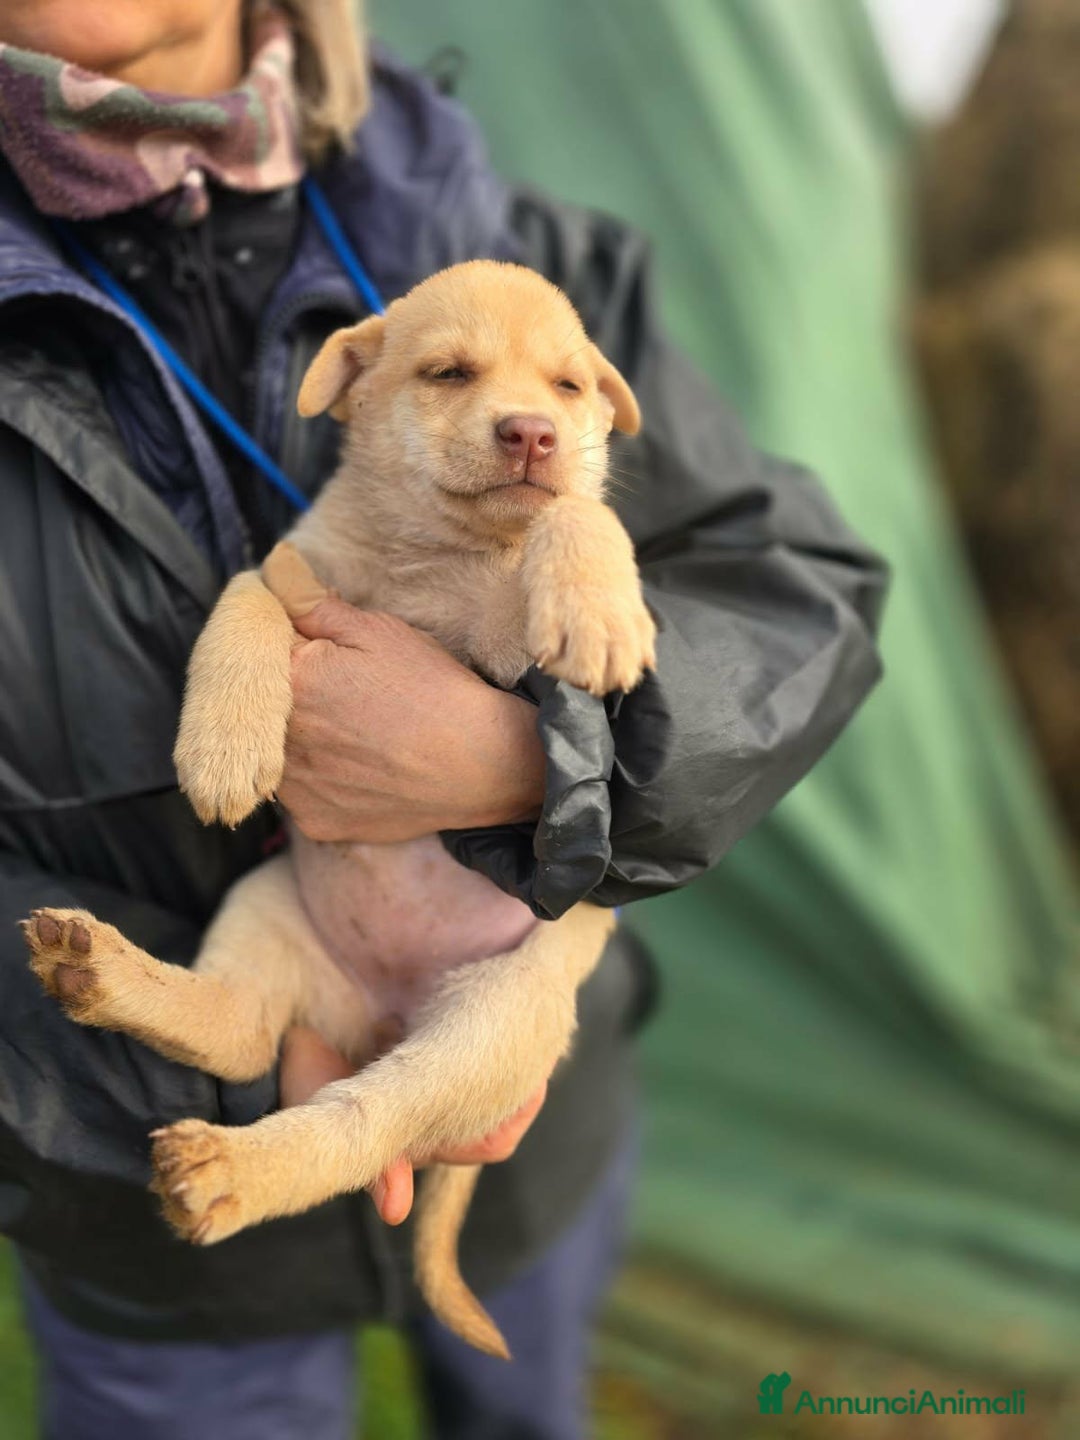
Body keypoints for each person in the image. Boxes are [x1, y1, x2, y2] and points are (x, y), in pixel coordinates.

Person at [0, 1, 887, 1436]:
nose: (525, 418)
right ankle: (217, 1047)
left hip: (535, 1129)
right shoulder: (369, 448)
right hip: (139, 1215)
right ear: (345, 380)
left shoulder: (536, 251)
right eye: (457, 376)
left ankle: (314, 1129)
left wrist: (528, 763)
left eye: (558, 395)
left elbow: (801, 591)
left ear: (599, 405)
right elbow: (274, 598)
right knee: (257, 966)